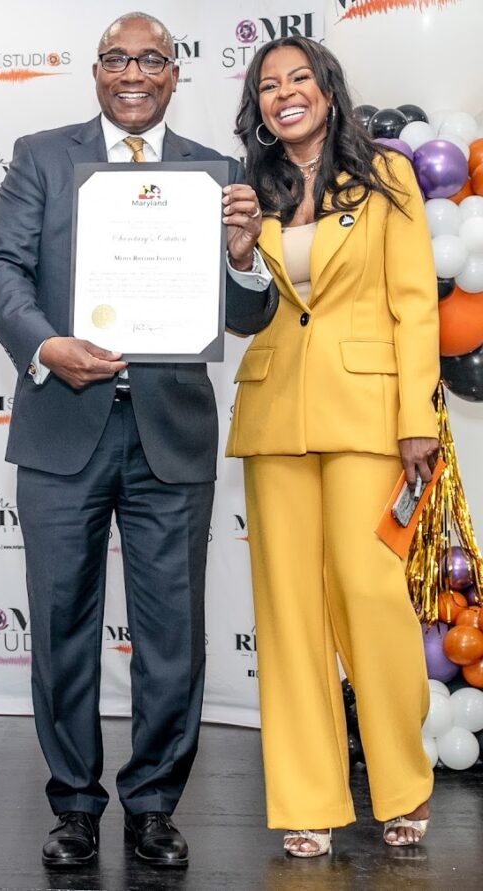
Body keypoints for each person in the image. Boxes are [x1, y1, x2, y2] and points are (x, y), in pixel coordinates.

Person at [0, 12, 277, 870]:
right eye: (118, 58)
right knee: (63, 628)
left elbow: (247, 312)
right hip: (62, 426)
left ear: (177, 75)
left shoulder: (216, 174)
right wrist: (44, 345)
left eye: (152, 60)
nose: (134, 73)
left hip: (169, 435)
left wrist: (245, 254)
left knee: (172, 634)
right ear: (96, 72)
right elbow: (1, 265)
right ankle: (74, 805)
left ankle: (153, 804)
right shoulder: (42, 155)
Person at [226, 35, 439, 856]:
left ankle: (401, 782)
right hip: (275, 411)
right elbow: (243, 305)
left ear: (328, 89)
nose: (285, 94)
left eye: (299, 80)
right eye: (269, 85)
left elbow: (416, 301)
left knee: (370, 592)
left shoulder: (389, 177)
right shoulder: (251, 188)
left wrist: (416, 413)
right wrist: (241, 255)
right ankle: (309, 799)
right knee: (288, 612)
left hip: (369, 412)